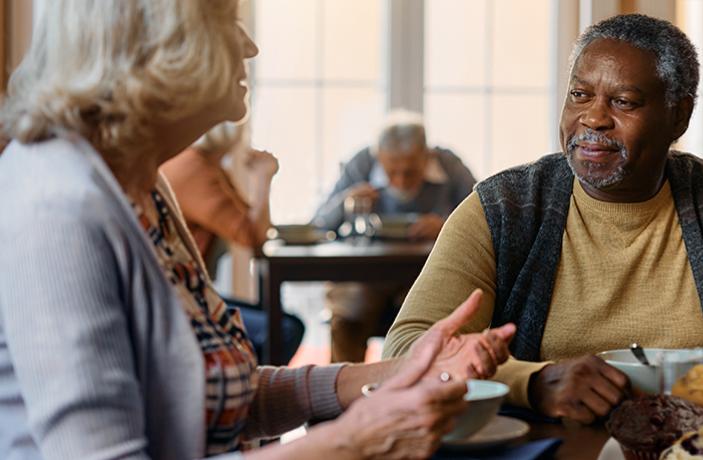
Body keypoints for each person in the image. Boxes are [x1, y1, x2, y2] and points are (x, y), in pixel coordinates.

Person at [0, 1, 515, 458]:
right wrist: (351, 441)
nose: (249, 45)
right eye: (224, 20)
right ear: (152, 39)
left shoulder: (141, 181)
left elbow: (229, 399)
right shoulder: (58, 206)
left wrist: (395, 372)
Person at [382, 14, 703, 424]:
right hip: (545, 445)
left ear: (678, 118)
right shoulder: (504, 208)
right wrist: (530, 382)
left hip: (695, 449)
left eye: (623, 102)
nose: (593, 118)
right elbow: (407, 349)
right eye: (580, 95)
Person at [311, 112, 478, 363]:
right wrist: (347, 202)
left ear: (426, 156)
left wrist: (448, 224)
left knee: (427, 313)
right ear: (379, 157)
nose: (400, 181)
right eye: (391, 172)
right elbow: (320, 223)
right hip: (366, 276)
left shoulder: (449, 165)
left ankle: (423, 389)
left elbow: (483, 217)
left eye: (409, 172)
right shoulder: (362, 164)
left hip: (425, 272)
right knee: (348, 313)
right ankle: (345, 392)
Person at [161, 121, 306, 364]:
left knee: (288, 323)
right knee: (284, 329)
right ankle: (255, 397)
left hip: (188, 290)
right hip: (177, 298)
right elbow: (252, 235)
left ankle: (254, 392)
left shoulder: (205, 166)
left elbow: (253, 226)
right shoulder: (195, 170)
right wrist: (263, 177)